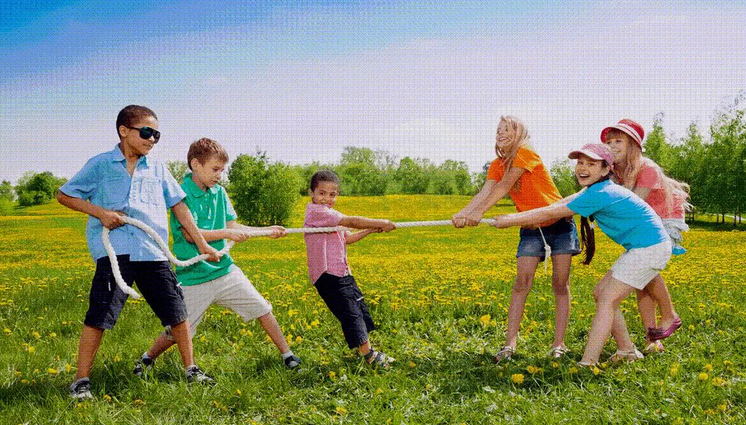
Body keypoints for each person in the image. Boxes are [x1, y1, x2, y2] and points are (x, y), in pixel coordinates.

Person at [57, 105, 221, 399]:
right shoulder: (100, 164)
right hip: (115, 253)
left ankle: (191, 369)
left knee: (177, 312)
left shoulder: (158, 168)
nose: (152, 139)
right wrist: (101, 213)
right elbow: (65, 195)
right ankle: (80, 381)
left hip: (153, 252)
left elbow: (179, 206)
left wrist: (202, 243)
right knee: (99, 315)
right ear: (124, 131)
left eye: (157, 134)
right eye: (147, 132)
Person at [133, 138, 302, 378]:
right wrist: (226, 233)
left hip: (225, 271)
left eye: (222, 170)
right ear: (195, 164)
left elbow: (233, 226)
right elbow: (190, 235)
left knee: (262, 308)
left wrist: (266, 230)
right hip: (194, 277)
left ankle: (288, 355)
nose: (219, 175)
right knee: (178, 330)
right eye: (215, 169)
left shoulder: (220, 192)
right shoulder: (180, 194)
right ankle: (147, 358)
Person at [492, 143, 672, 366]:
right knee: (601, 293)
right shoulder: (595, 190)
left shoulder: (601, 193)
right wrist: (515, 218)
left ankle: (589, 361)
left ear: (606, 169)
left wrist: (511, 220)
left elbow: (552, 212)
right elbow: (560, 203)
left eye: (591, 164)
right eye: (580, 163)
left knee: (607, 299)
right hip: (643, 247)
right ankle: (627, 351)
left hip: (650, 248)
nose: (583, 168)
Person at [453, 116, 580, 362]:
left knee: (560, 284)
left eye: (507, 130)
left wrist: (479, 213)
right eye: (498, 130)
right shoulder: (497, 164)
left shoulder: (526, 154)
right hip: (530, 227)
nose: (501, 133)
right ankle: (509, 344)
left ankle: (559, 344)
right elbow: (486, 190)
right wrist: (464, 213)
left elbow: (504, 186)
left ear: (520, 134)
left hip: (560, 224)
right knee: (521, 283)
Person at [601, 119, 688, 352]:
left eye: (618, 141)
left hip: (665, 218)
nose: (612, 146)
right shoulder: (615, 170)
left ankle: (669, 314)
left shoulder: (647, 169)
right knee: (641, 281)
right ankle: (653, 340)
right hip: (644, 223)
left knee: (645, 267)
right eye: (609, 142)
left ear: (633, 145)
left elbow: (633, 204)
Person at [303, 170, 396, 367]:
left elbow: (348, 238)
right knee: (351, 313)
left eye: (332, 194)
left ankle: (366, 352)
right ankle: (368, 356)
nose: (327, 198)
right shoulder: (317, 212)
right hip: (328, 275)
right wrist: (382, 222)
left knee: (358, 309)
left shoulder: (330, 217)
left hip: (342, 273)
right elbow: (352, 221)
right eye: (321, 193)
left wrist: (371, 230)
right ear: (311, 193)